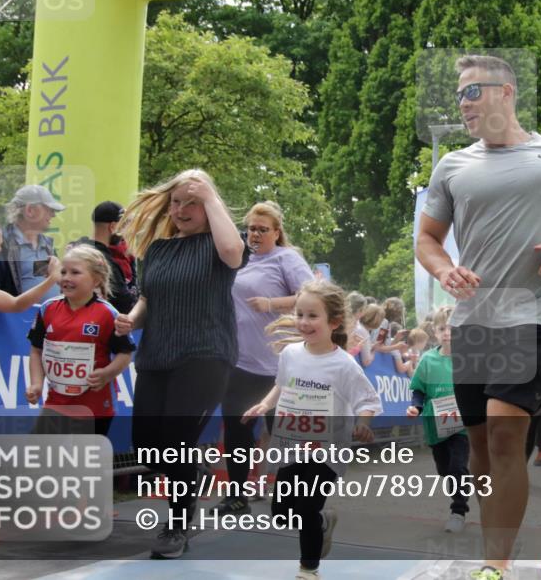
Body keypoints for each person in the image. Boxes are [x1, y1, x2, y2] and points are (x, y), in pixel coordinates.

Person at [416, 54, 541, 579]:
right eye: (458, 95)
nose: (462, 104)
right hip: (474, 319)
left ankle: (494, 565)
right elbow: (427, 240)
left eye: (471, 92)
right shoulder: (453, 165)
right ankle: (495, 539)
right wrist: (443, 270)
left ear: (506, 92)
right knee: (479, 446)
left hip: (533, 315)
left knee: (505, 435)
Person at [114, 169, 248, 559]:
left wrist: (209, 195)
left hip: (206, 355)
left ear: (208, 204)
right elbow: (148, 299)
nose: (181, 209)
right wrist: (132, 319)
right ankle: (192, 473)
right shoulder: (157, 250)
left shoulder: (221, 244)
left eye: (192, 201)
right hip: (157, 355)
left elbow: (233, 254)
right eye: (176, 201)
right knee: (146, 448)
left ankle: (176, 526)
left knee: (175, 443)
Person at [243, 280, 382, 580]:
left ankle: (309, 570)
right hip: (291, 447)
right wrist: (264, 405)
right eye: (300, 314)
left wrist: (363, 423)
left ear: (333, 322)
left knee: (306, 510)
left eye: (312, 316)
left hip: (325, 453)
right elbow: (281, 385)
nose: (303, 322)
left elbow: (368, 400)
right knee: (281, 514)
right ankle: (322, 523)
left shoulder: (344, 365)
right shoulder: (290, 354)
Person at [214, 201, 314, 517]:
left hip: (279, 364)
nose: (255, 235)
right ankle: (237, 495)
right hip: (239, 362)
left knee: (284, 433)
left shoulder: (286, 259)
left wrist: (273, 302)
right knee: (237, 430)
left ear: (277, 232)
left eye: (262, 229)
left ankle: (288, 498)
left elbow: (313, 296)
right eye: (251, 229)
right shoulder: (239, 261)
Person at [25, 244, 136, 435]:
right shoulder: (47, 309)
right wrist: (36, 384)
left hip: (95, 408)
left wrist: (107, 373)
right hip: (56, 404)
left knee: (83, 462)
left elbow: (125, 353)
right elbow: (36, 350)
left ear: (96, 280)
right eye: (63, 272)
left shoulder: (108, 313)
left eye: (75, 272)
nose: (66, 278)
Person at [406, 305, 471, 534]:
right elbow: (418, 391)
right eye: (443, 328)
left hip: (462, 428)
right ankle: (460, 484)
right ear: (434, 331)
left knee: (456, 467)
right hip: (436, 426)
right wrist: (415, 406)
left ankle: (458, 511)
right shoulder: (427, 361)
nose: (447, 333)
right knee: (445, 470)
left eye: (453, 328)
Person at [0, 185, 64, 302]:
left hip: (50, 318)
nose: (53, 215)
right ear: (30, 210)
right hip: (16, 319)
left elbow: (33, 276)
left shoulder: (47, 245)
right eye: (49, 209)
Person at [72, 200, 138, 313]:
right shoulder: (102, 259)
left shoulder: (78, 250)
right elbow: (123, 301)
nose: (127, 231)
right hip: (97, 323)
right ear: (113, 226)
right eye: (125, 225)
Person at [353, 303, 384, 368]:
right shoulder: (364, 333)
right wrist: (374, 350)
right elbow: (366, 362)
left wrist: (371, 346)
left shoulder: (354, 324)